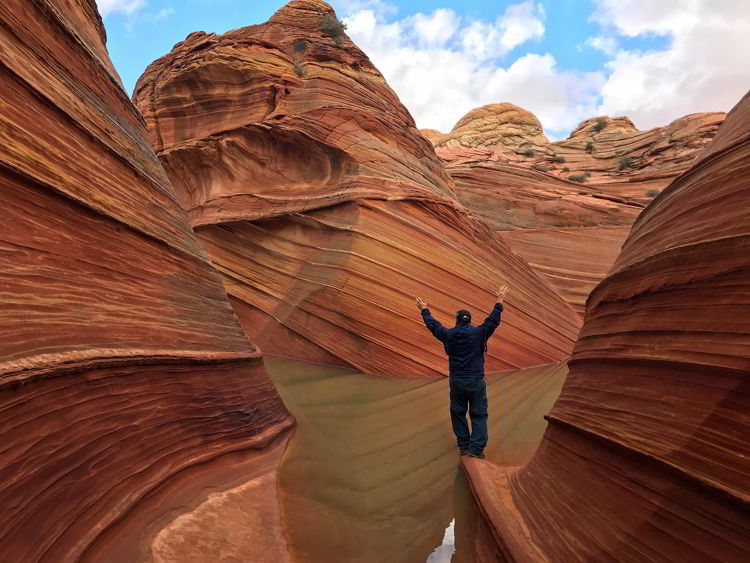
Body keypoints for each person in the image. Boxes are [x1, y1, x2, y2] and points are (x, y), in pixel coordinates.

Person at [415, 286, 508, 459]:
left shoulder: (448, 334)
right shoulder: (479, 333)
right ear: (469, 320)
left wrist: (424, 309)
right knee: (479, 414)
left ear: (457, 320)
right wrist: (500, 300)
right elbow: (493, 321)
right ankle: (476, 450)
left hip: (457, 381)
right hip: (475, 380)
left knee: (458, 412)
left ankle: (464, 447)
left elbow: (433, 326)